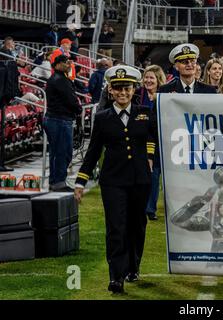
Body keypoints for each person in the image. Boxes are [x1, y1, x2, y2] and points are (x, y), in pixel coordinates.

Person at [74, 65, 158, 294]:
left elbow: (152, 137)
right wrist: (81, 181)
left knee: (137, 225)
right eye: (118, 88)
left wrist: (149, 156)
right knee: (116, 228)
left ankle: (133, 266)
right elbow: (92, 151)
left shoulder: (145, 112)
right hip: (113, 181)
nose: (123, 93)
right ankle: (116, 276)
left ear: (134, 89)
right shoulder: (102, 117)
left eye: (127, 88)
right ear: (110, 90)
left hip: (141, 180)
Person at [44, 55, 82, 192]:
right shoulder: (60, 80)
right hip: (59, 119)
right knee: (63, 152)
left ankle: (55, 181)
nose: (69, 64)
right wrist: (79, 109)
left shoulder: (57, 78)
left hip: (56, 119)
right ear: (58, 64)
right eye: (66, 62)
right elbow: (71, 100)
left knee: (57, 152)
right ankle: (59, 182)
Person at [138, 65, 166, 220]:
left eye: (151, 78)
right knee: (148, 176)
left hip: (160, 142)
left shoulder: (164, 96)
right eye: (146, 77)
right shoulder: (137, 95)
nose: (148, 80)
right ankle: (146, 208)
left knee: (157, 175)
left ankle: (152, 208)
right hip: (141, 142)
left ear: (158, 80)